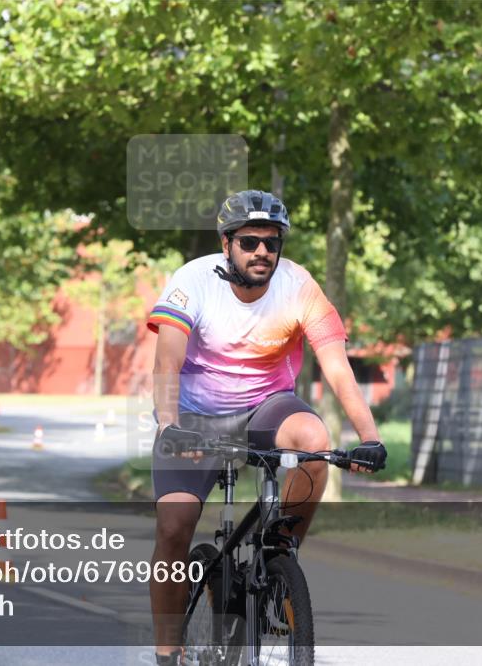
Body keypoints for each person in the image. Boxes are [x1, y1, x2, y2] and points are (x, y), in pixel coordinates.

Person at [145, 189, 386, 665]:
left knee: (314, 441)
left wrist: (369, 437)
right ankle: (167, 651)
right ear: (226, 244)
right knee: (174, 528)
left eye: (272, 243)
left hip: (265, 408)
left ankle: (279, 555)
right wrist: (169, 425)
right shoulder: (192, 281)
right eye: (250, 241)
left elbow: (337, 368)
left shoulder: (298, 285)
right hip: (192, 417)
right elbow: (166, 362)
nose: (262, 251)